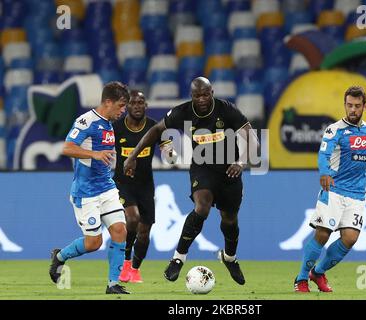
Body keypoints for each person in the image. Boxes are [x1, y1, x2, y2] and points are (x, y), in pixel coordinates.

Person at [123, 77, 259, 285]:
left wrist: (241, 163)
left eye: (205, 94)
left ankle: (229, 258)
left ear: (212, 92)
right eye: (197, 95)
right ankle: (178, 257)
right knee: (201, 207)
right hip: (202, 169)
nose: (202, 99)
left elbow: (252, 138)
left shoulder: (227, 110)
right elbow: (156, 131)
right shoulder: (182, 112)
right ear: (192, 96)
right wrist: (133, 156)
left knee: (230, 219)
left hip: (230, 170)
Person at [49, 81, 130, 294]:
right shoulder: (86, 121)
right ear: (108, 102)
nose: (123, 111)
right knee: (94, 243)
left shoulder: (110, 123)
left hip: (107, 188)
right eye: (121, 106)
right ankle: (59, 256)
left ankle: (113, 284)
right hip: (86, 193)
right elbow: (67, 148)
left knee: (120, 230)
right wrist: (94, 154)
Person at [294, 86, 366, 293]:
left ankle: (317, 273)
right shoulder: (334, 129)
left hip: (356, 193)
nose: (353, 110)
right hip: (334, 189)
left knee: (350, 238)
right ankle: (301, 278)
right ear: (345, 105)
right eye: (349, 105)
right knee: (322, 234)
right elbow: (324, 153)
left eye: (357, 106)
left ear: (364, 106)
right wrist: (324, 172)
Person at [113, 90, 174, 283]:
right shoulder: (116, 128)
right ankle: (125, 260)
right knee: (132, 218)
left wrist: (170, 154)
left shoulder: (154, 127)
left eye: (141, 102)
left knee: (145, 231)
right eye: (133, 103)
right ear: (127, 106)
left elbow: (167, 150)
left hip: (146, 185)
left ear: (146, 105)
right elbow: (105, 150)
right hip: (123, 183)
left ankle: (135, 269)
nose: (137, 106)